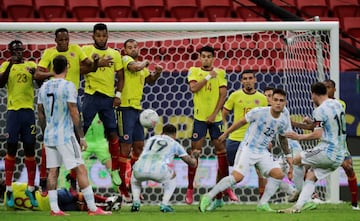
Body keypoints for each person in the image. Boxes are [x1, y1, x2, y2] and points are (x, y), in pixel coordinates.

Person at [34, 27, 118, 192]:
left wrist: (96, 62)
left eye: (67, 39)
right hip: (57, 98)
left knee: (72, 136)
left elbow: (90, 66)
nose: (64, 43)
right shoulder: (48, 54)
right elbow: (37, 75)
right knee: (55, 139)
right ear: (56, 41)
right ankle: (48, 178)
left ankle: (70, 177)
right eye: (61, 40)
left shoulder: (77, 50)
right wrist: (53, 73)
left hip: (72, 97)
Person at [37, 55, 111, 216]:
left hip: (50, 135)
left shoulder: (44, 87)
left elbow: (40, 113)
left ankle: (55, 209)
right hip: (65, 135)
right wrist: (81, 136)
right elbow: (73, 111)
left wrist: (45, 132)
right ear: (67, 67)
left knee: (52, 171)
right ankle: (92, 208)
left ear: (52, 67)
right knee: (81, 169)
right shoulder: (68, 86)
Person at [199, 88, 293, 213]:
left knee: (278, 174)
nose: (278, 103)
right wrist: (226, 132)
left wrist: (288, 155)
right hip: (248, 148)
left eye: (281, 101)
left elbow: (282, 138)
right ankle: (208, 197)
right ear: (270, 100)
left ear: (285, 103)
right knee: (237, 177)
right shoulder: (259, 112)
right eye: (275, 100)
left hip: (262, 151)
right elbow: (241, 122)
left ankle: (263, 204)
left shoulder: (283, 120)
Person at [279, 82, 347, 213]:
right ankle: (297, 207)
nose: (311, 99)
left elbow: (317, 134)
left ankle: (297, 190)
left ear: (314, 94)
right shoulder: (337, 104)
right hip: (340, 154)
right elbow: (330, 124)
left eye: (311, 95)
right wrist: (313, 123)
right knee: (311, 175)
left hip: (328, 150)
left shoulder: (319, 110)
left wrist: (297, 137)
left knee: (295, 160)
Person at [206, 70, 268, 210]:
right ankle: (218, 199)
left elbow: (265, 121)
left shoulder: (262, 98)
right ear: (241, 81)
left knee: (262, 172)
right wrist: (223, 130)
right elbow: (225, 113)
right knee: (222, 170)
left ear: (255, 80)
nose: (247, 81)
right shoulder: (235, 95)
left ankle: (262, 202)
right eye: (245, 78)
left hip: (255, 141)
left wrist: (266, 139)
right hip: (235, 139)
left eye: (250, 78)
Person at [186, 45, 236, 204]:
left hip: (216, 119)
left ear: (213, 58)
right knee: (195, 152)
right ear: (200, 58)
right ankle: (190, 189)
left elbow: (223, 95)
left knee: (222, 151)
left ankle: (226, 187)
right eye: (203, 56)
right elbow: (193, 88)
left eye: (209, 56)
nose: (206, 58)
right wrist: (208, 77)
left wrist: (215, 114)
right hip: (199, 118)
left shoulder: (221, 72)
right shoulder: (194, 70)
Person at [116, 38, 163, 201]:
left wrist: (157, 73)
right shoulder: (126, 60)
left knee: (139, 147)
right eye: (130, 47)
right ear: (125, 50)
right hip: (124, 108)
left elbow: (149, 80)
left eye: (135, 47)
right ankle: (122, 188)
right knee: (125, 147)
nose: (133, 49)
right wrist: (145, 62)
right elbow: (136, 67)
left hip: (137, 109)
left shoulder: (141, 67)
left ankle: (133, 184)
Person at [81, 23, 124, 191]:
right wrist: (98, 63)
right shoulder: (85, 50)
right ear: (93, 36)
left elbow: (120, 76)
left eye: (103, 35)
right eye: (98, 35)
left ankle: (114, 170)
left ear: (107, 36)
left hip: (107, 98)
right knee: (80, 133)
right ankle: (71, 172)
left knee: (113, 133)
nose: (101, 38)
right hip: (91, 96)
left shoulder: (115, 54)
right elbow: (81, 69)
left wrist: (118, 95)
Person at [0, 40, 38, 208]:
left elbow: (39, 82)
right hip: (13, 113)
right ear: (9, 51)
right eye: (14, 50)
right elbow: (0, 83)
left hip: (28, 113)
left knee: (30, 150)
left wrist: (35, 73)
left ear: (24, 51)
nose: (18, 52)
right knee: (11, 149)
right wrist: (9, 65)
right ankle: (8, 189)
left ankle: (31, 188)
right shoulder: (5, 66)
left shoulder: (30, 64)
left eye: (20, 50)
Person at [130, 124, 198, 212]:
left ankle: (136, 203)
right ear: (174, 135)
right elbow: (191, 164)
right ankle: (164, 204)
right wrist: (194, 156)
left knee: (134, 178)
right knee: (172, 176)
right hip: (159, 170)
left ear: (162, 132)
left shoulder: (151, 139)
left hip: (139, 169)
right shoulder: (174, 144)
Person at [323, 79, 359, 210]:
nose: (326, 89)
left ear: (334, 89)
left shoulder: (340, 104)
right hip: (326, 144)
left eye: (329, 87)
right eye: (324, 87)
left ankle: (355, 203)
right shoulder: (319, 105)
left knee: (349, 169)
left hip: (341, 145)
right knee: (311, 170)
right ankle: (310, 197)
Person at [0, 180, 121, 212]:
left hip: (47, 208)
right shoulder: (14, 186)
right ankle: (107, 200)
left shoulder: (6, 204)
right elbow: (32, 187)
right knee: (76, 196)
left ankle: (106, 207)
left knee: (78, 207)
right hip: (48, 197)